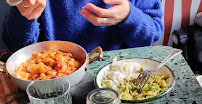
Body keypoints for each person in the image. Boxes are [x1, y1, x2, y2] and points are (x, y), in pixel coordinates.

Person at [2, 0, 164, 53]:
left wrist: (129, 16)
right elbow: (18, 48)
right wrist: (22, 14)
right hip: (55, 82)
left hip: (119, 78)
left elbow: (152, 35)